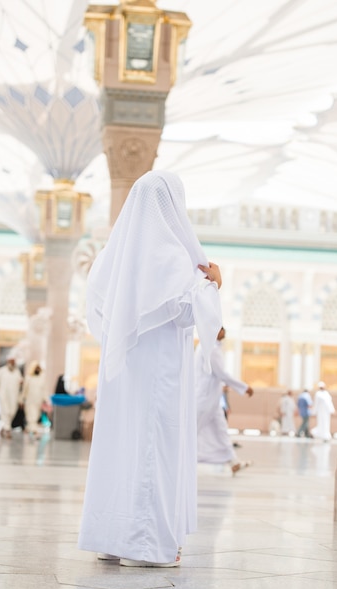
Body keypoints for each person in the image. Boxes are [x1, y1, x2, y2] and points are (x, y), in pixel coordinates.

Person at [78, 171, 223, 568]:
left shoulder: (113, 256)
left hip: (122, 375)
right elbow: (187, 312)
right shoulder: (172, 256)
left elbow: (96, 307)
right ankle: (145, 546)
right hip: (159, 375)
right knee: (152, 446)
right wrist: (213, 284)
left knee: (121, 445)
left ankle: (114, 539)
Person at [195, 327, 254, 473]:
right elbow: (222, 374)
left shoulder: (207, 346)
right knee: (192, 429)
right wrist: (244, 387)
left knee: (221, 430)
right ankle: (177, 459)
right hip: (204, 398)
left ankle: (233, 461)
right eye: (222, 329)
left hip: (213, 399)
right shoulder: (210, 349)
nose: (225, 332)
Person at [0, 357, 23, 438]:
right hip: (3, 395)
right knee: (6, 412)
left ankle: (3, 427)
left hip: (14, 396)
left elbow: (20, 387)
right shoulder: (1, 371)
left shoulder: (17, 372)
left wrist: (20, 399)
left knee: (12, 412)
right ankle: (7, 430)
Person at [22, 361, 46, 437]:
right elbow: (25, 390)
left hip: (38, 400)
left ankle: (30, 428)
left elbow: (44, 390)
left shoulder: (41, 378)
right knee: (31, 414)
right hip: (30, 399)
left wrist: (45, 399)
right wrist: (22, 399)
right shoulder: (29, 378)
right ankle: (34, 430)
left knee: (36, 415)